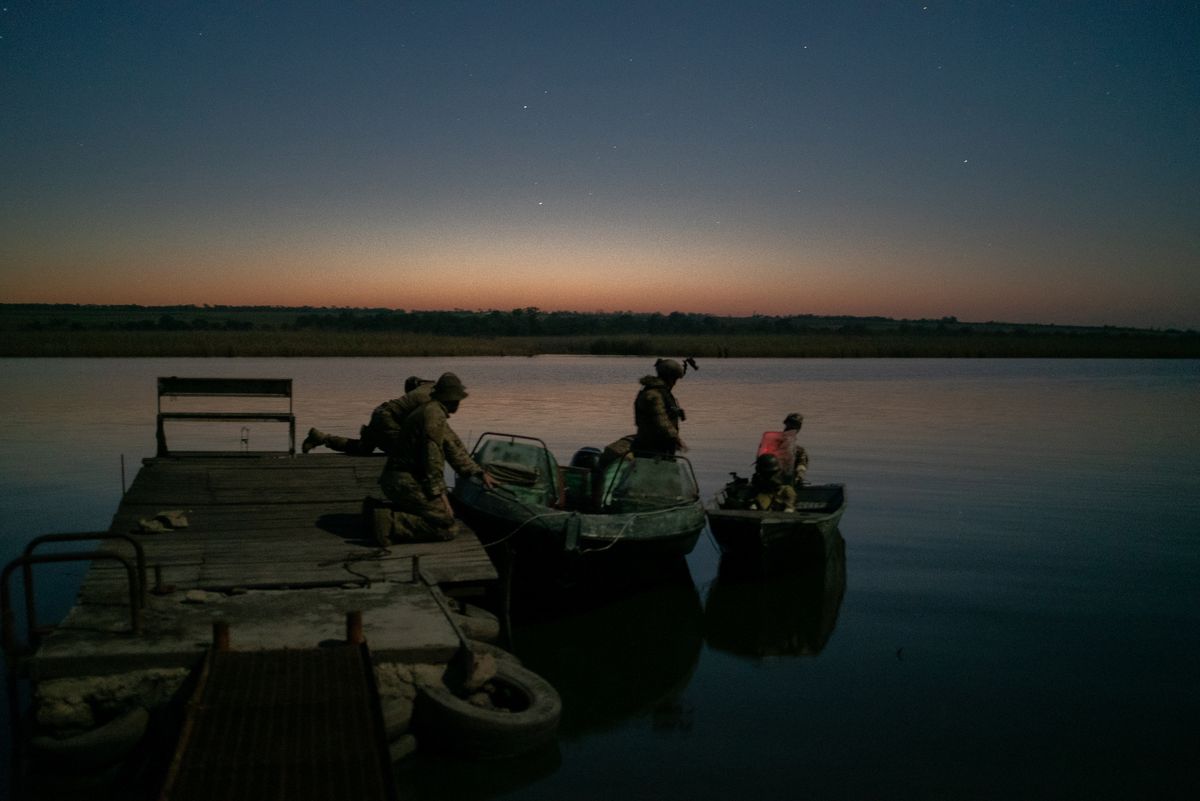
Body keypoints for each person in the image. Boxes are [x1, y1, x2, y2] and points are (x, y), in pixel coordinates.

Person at [375, 372, 494, 544]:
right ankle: (389, 522)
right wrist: (440, 494)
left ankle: (382, 512)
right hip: (402, 481)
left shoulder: (434, 411)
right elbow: (433, 460)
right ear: (452, 399)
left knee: (444, 514)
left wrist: (478, 472)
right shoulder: (433, 416)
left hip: (402, 479)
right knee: (448, 526)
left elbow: (454, 448)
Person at [302, 375, 432, 455]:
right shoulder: (428, 395)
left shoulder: (418, 394)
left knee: (363, 449)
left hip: (380, 414)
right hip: (386, 419)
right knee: (405, 453)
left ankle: (321, 437)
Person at [757, 412, 810, 487]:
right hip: (774, 481)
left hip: (773, 481)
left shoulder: (769, 442)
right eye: (792, 424)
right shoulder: (771, 443)